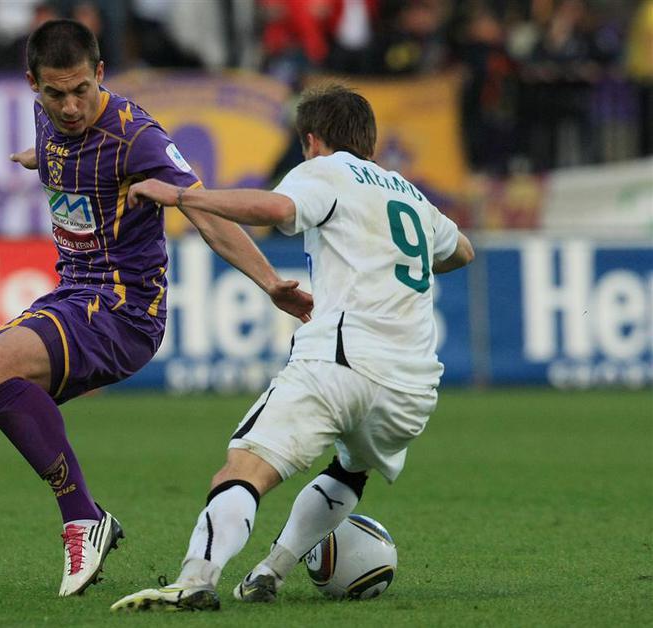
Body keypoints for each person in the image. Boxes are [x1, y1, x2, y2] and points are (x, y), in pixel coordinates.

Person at [0, 19, 312, 599]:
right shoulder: (48, 120)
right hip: (72, 295)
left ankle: (83, 516)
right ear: (33, 85)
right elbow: (65, 154)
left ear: (100, 74)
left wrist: (270, 282)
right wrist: (38, 158)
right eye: (54, 93)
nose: (69, 107)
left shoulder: (136, 137)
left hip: (123, 309)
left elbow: (204, 211)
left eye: (81, 91)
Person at [109, 82, 475, 612]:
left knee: (245, 467)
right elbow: (462, 251)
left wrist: (182, 196)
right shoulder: (410, 195)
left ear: (312, 140)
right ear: (370, 141)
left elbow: (276, 209)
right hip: (412, 387)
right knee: (351, 468)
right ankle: (269, 573)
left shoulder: (326, 170)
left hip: (341, 361)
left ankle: (194, 580)